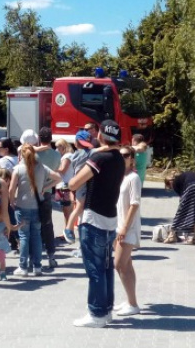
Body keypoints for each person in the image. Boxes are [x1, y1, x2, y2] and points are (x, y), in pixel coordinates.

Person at [69, 120, 126, 328]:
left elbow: (74, 183)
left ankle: (96, 314)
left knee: (95, 269)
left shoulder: (98, 158)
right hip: (110, 218)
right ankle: (107, 309)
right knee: (106, 267)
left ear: (100, 135)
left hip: (93, 217)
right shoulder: (119, 158)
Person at [10, 144, 61, 277]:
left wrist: (11, 201)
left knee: (24, 236)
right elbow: (58, 178)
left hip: (22, 205)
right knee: (37, 236)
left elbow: (11, 189)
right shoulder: (42, 167)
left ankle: (23, 267)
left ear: (21, 155)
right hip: (38, 206)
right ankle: (37, 266)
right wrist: (45, 187)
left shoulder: (18, 169)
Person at [113, 145, 141, 317]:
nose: (122, 157)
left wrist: (124, 226)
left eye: (125, 155)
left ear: (132, 158)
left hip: (128, 227)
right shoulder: (119, 176)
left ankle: (133, 304)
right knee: (127, 264)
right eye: (120, 155)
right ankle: (130, 300)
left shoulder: (133, 178)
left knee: (119, 264)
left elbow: (134, 204)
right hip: (118, 225)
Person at [34, 127, 62, 268]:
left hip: (33, 190)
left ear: (39, 138)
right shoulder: (57, 155)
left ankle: (34, 257)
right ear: (51, 138)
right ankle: (51, 256)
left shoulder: (34, 154)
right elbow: (57, 173)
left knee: (33, 224)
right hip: (47, 191)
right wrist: (47, 187)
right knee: (47, 223)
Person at [63, 129, 95, 244]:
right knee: (79, 208)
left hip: (79, 182)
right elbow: (97, 151)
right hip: (82, 183)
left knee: (80, 209)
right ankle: (68, 228)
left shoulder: (76, 154)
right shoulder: (85, 153)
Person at [163, 171, 195, 244]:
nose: (171, 187)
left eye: (169, 185)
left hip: (191, 187)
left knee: (181, 212)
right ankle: (194, 238)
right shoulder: (185, 176)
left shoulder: (175, 183)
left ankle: (171, 235)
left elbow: (182, 203)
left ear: (170, 182)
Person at [56, 138, 76, 240]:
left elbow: (63, 170)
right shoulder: (69, 156)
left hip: (65, 186)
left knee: (67, 211)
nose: (57, 149)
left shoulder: (66, 157)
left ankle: (69, 232)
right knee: (66, 211)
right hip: (66, 185)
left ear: (63, 147)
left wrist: (53, 168)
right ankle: (67, 231)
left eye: (58, 147)